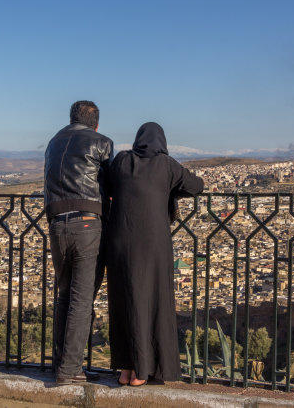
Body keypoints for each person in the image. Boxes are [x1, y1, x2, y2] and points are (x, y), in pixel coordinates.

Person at [106, 122, 204, 386]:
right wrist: (169, 189)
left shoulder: (122, 160)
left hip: (119, 239)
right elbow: (197, 185)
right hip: (152, 243)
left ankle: (126, 369)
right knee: (151, 301)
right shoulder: (166, 165)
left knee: (124, 299)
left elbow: (109, 184)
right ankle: (144, 370)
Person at [44, 100, 113, 385]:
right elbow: (110, 184)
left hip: (57, 222)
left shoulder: (52, 142)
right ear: (96, 123)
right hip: (87, 223)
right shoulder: (101, 142)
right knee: (82, 299)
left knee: (63, 295)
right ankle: (70, 370)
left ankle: (59, 363)